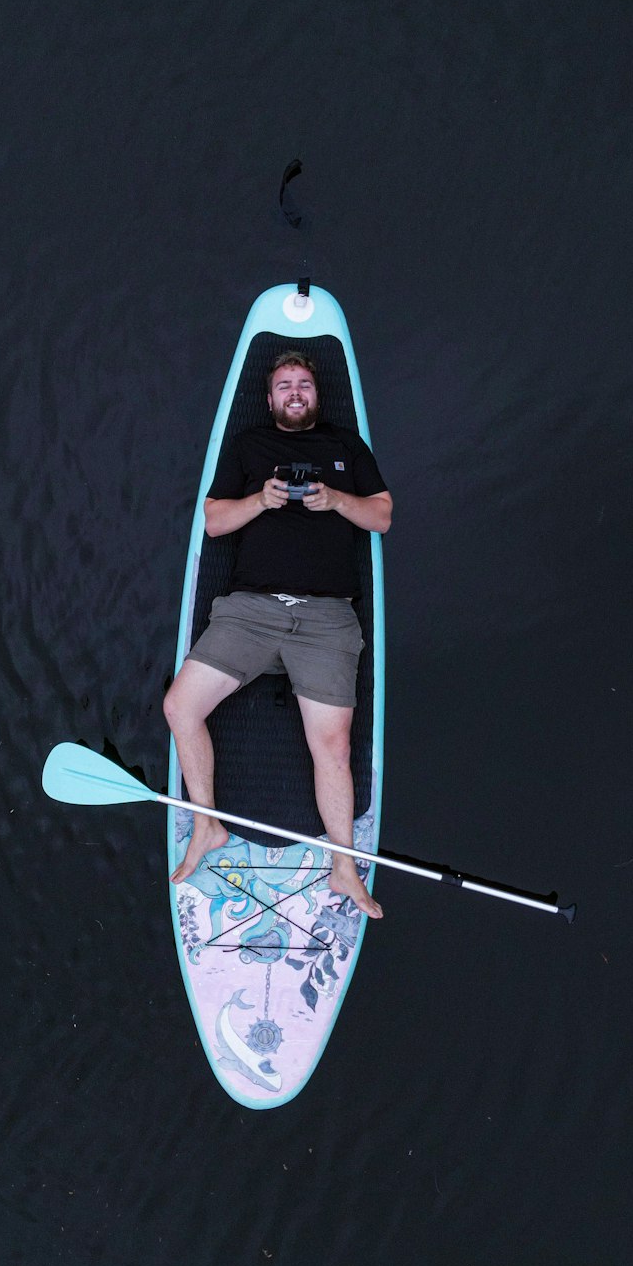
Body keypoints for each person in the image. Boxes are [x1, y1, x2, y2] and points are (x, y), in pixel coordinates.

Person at [163, 352, 392, 919]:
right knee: (179, 707)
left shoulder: (346, 447)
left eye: (304, 385)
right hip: (252, 611)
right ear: (269, 400)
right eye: (284, 385)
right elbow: (215, 521)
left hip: (326, 619)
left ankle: (343, 868)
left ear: (317, 395)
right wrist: (261, 500)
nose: (295, 392)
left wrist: (336, 500)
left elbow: (382, 516)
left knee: (332, 745)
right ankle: (207, 825)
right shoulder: (249, 446)